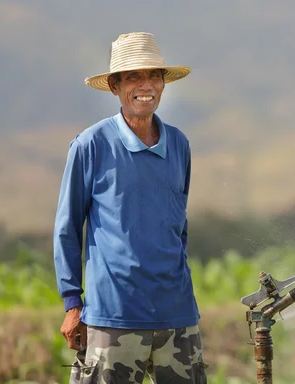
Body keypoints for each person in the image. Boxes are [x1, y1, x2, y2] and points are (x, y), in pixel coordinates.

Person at [53, 32, 207, 384]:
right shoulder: (90, 144)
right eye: (134, 76)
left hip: (177, 316)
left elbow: (177, 226)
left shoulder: (179, 144)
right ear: (114, 86)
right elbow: (67, 228)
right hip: (113, 315)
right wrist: (72, 303)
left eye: (154, 75)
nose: (146, 85)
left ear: (164, 84)